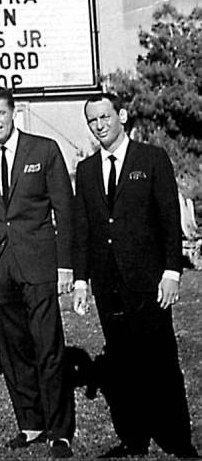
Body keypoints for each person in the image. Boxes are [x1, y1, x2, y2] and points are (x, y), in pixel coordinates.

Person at [73, 93, 199, 459]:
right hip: (107, 285)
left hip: (149, 282)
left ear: (121, 116)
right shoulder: (86, 170)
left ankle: (177, 439)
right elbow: (84, 228)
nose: (99, 126)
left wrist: (172, 272)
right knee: (121, 365)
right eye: (93, 120)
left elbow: (168, 219)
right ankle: (133, 438)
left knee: (161, 362)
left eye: (105, 117)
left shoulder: (151, 158)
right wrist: (82, 280)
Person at [0, 86, 75, 459]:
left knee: (47, 346)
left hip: (40, 264)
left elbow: (65, 209)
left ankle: (59, 431)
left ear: (13, 112)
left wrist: (65, 265)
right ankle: (30, 423)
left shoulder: (43, 150)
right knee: (13, 348)